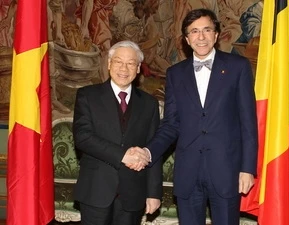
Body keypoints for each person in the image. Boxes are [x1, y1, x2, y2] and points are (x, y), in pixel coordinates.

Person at [129, 8, 258, 225]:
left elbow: (248, 123)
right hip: (188, 174)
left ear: (216, 35)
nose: (201, 37)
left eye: (207, 30)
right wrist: (147, 152)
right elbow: (171, 124)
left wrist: (248, 169)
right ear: (187, 39)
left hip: (227, 171)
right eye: (194, 31)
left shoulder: (238, 67)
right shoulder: (175, 74)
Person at [72, 40, 162, 225]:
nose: (124, 68)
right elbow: (83, 137)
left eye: (131, 63)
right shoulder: (87, 96)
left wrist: (153, 193)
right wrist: (123, 156)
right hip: (96, 191)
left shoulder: (149, 104)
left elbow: (153, 149)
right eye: (119, 61)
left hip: (133, 194)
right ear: (109, 64)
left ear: (138, 69)